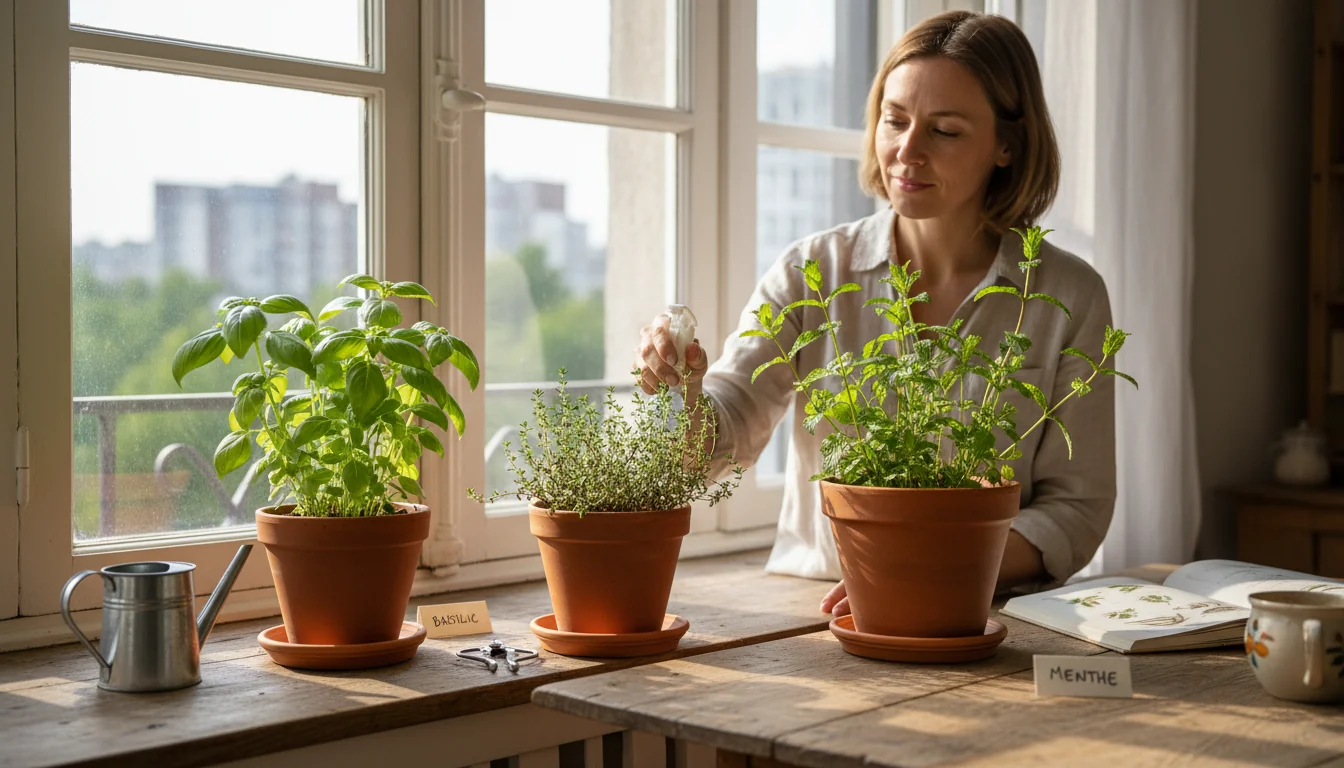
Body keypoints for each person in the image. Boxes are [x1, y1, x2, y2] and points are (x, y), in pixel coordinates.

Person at [634, 11, 1115, 618]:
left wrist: (927, 571)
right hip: (815, 617)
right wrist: (686, 387)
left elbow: (1076, 509)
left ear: (1007, 146)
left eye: (944, 131)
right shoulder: (811, 270)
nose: (906, 152)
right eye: (895, 120)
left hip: (984, 620)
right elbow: (718, 442)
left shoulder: (1069, 295)